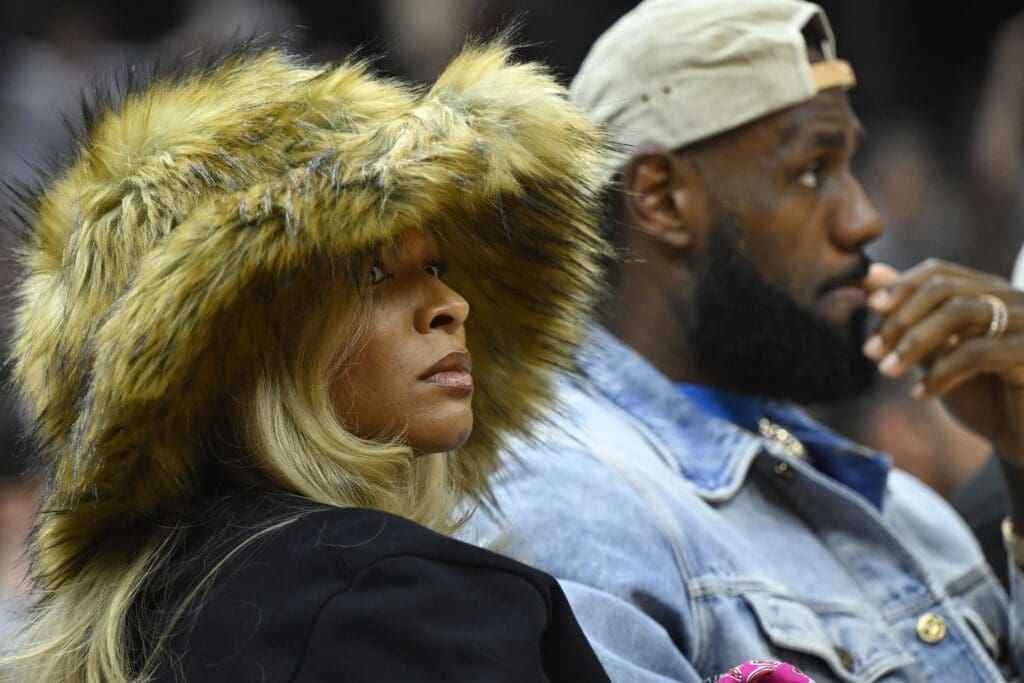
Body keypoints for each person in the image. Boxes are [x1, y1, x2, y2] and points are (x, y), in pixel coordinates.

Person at [0, 41, 616, 682]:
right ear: (242, 343)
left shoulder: (154, 615)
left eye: (436, 267)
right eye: (374, 274)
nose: (452, 306)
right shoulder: (392, 602)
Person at [462, 1, 1024, 680]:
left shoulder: (902, 509)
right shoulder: (570, 501)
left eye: (850, 165)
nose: (864, 220)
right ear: (662, 199)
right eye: (813, 169)